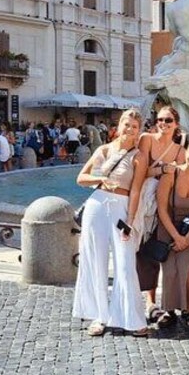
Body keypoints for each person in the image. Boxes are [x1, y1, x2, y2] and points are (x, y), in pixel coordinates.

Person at [72, 109, 149, 337]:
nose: (130, 129)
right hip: (97, 206)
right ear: (120, 125)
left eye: (135, 127)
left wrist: (130, 221)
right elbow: (81, 178)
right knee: (95, 260)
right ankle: (100, 316)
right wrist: (101, 179)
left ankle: (133, 319)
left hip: (121, 208)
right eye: (127, 124)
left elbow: (135, 192)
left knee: (125, 264)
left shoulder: (139, 156)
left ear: (139, 131)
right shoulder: (103, 150)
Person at [136, 106, 186, 321]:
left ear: (176, 124)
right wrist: (164, 170)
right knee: (141, 250)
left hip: (163, 205)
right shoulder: (146, 139)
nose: (163, 124)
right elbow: (140, 171)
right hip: (143, 201)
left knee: (157, 249)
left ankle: (165, 303)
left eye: (168, 120)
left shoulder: (180, 150)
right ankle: (149, 302)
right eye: (160, 120)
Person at [154, 140, 189, 329]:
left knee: (184, 265)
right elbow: (161, 209)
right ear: (186, 152)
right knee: (169, 268)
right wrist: (176, 237)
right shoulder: (172, 174)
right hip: (168, 223)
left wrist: (187, 238)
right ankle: (169, 310)